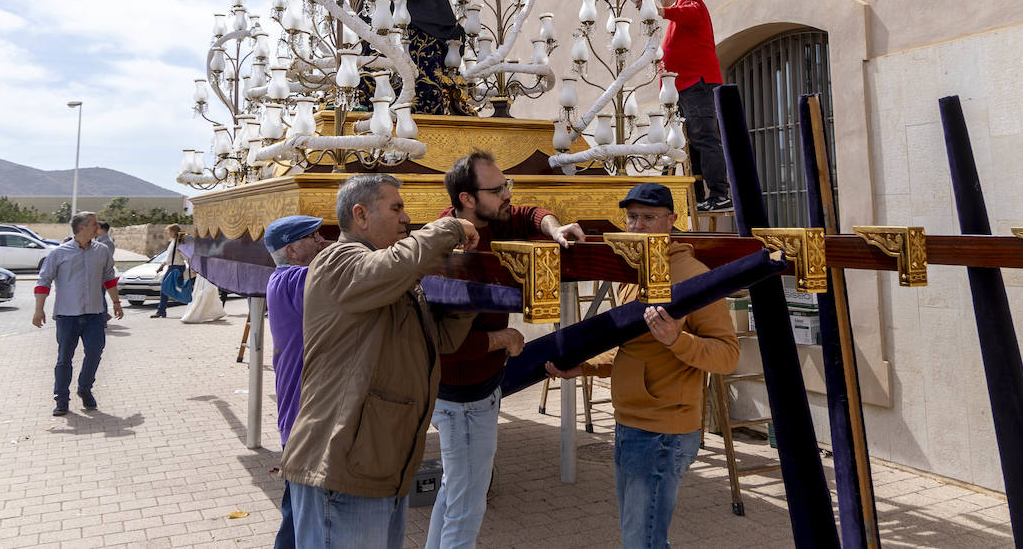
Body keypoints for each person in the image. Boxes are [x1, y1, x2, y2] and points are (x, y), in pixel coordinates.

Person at [281, 173, 480, 549]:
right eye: (396, 208)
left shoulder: (392, 278)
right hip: (341, 466)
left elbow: (440, 341)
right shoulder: (337, 261)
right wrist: (449, 227)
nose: (407, 218)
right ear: (361, 215)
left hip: (381, 468)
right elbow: (391, 268)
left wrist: (469, 293)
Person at [547, 182, 739, 549]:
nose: (637, 227)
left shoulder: (693, 275)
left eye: (648, 218)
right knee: (640, 538)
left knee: (643, 541)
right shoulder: (632, 269)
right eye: (632, 218)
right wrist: (585, 367)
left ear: (672, 220)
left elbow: (728, 355)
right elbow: (633, 348)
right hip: (631, 424)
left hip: (663, 432)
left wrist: (677, 339)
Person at [428, 151, 585, 549]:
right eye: (498, 190)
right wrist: (504, 341)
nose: (507, 195)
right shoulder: (443, 244)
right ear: (467, 198)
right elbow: (439, 342)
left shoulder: (494, 216)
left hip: (480, 389)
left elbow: (532, 213)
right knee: (467, 505)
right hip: (460, 395)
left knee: (454, 492)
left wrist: (553, 228)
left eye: (507, 185)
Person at [263, 214, 332, 549]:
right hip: (306, 422)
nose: (322, 241)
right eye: (314, 237)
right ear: (292, 250)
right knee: (303, 519)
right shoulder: (296, 279)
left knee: (298, 514)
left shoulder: (284, 278)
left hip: (300, 420)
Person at [32, 211, 123, 416]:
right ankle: (61, 399)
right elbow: (43, 281)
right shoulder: (58, 253)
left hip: (94, 315)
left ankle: (85, 388)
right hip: (67, 315)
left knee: (95, 352)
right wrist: (39, 310)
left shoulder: (102, 251)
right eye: (94, 224)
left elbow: (109, 277)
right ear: (82, 227)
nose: (97, 226)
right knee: (64, 358)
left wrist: (116, 302)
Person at [658, 0, 732, 212]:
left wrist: (661, 11)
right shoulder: (677, 18)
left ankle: (719, 195)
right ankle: (699, 198)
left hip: (695, 84)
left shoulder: (689, 0)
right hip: (683, 88)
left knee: (704, 138)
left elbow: (690, 13)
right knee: (692, 143)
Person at [152, 224, 188, 319]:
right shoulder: (173, 242)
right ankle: (161, 311)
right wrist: (162, 265)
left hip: (176, 268)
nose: (169, 234)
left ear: (174, 232)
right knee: (176, 288)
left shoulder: (179, 243)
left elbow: (185, 256)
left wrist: (192, 267)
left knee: (167, 287)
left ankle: (161, 311)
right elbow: (169, 257)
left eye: (170, 232)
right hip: (172, 267)